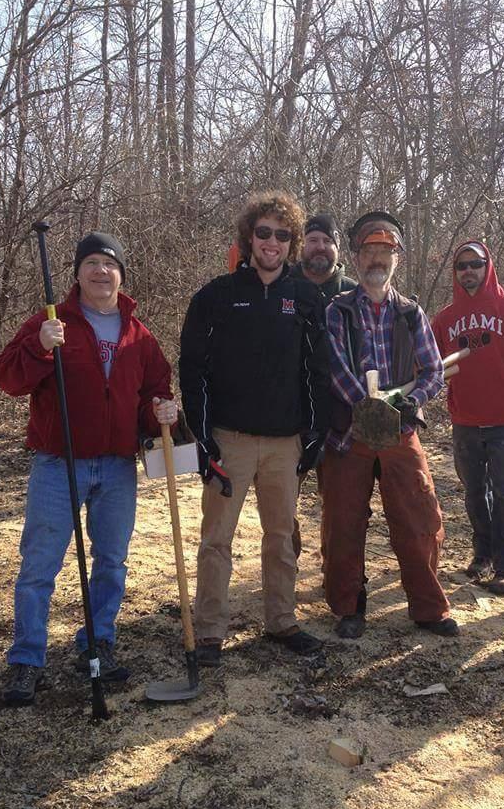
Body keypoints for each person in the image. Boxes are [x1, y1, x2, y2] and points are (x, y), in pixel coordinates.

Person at [0, 232, 177, 705]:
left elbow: (153, 392)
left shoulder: (139, 336)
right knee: (40, 564)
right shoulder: (51, 322)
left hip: (117, 466)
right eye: (91, 263)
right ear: (77, 273)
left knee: (111, 560)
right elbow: (8, 378)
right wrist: (38, 345)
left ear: (121, 275)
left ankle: (98, 642)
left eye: (109, 264)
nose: (101, 271)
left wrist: (160, 411)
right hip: (59, 463)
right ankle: (26, 660)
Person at [179, 191, 331, 667]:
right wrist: (203, 440)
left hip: (285, 444)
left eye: (282, 235)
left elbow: (318, 371)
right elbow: (192, 371)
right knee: (216, 539)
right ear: (248, 238)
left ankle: (282, 621)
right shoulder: (215, 298)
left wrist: (314, 432)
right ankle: (208, 632)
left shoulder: (306, 298)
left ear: (292, 243)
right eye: (263, 232)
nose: (271, 242)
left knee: (281, 536)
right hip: (231, 441)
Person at [321, 210, 458, 639]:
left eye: (385, 251)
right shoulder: (337, 311)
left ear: (396, 257)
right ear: (357, 256)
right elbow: (337, 370)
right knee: (343, 522)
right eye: (369, 250)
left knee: (420, 517)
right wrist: (366, 406)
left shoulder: (411, 313)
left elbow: (434, 371)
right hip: (350, 433)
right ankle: (348, 607)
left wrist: (407, 402)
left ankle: (428, 608)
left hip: (400, 431)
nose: (377, 259)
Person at [432, 241, 504, 594]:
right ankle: (482, 556)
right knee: (473, 493)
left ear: (488, 267)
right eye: (461, 266)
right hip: (465, 421)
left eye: (475, 264)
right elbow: (435, 368)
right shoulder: (445, 319)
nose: (468, 271)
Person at [287, 213, 360, 565]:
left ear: (337, 248)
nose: (319, 247)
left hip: (339, 417)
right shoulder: (282, 286)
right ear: (301, 246)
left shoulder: (354, 294)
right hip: (288, 415)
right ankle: (286, 570)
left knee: (340, 503)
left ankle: (337, 572)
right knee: (283, 502)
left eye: (326, 241)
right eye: (312, 240)